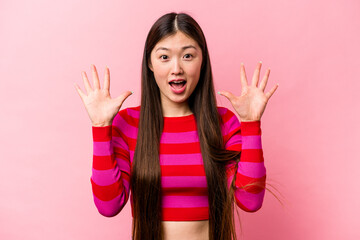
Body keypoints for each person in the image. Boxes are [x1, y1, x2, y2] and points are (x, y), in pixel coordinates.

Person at [74, 12, 278, 240]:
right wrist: (101, 127)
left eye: (188, 56)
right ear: (150, 63)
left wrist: (250, 124)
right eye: (164, 57)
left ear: (203, 61)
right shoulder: (128, 124)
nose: (177, 68)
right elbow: (108, 206)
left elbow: (250, 201)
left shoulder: (224, 124)